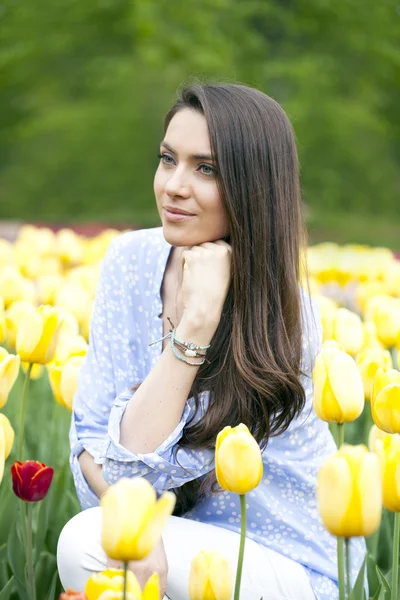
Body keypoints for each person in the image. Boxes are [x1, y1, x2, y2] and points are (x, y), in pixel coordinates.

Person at [57, 82, 365, 600]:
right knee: (102, 542)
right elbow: (92, 448)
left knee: (84, 544)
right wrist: (131, 521)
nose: (174, 185)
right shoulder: (129, 263)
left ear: (254, 187)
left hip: (285, 557)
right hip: (179, 540)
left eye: (206, 168)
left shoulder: (285, 314)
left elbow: (132, 464)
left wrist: (196, 324)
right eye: (167, 159)